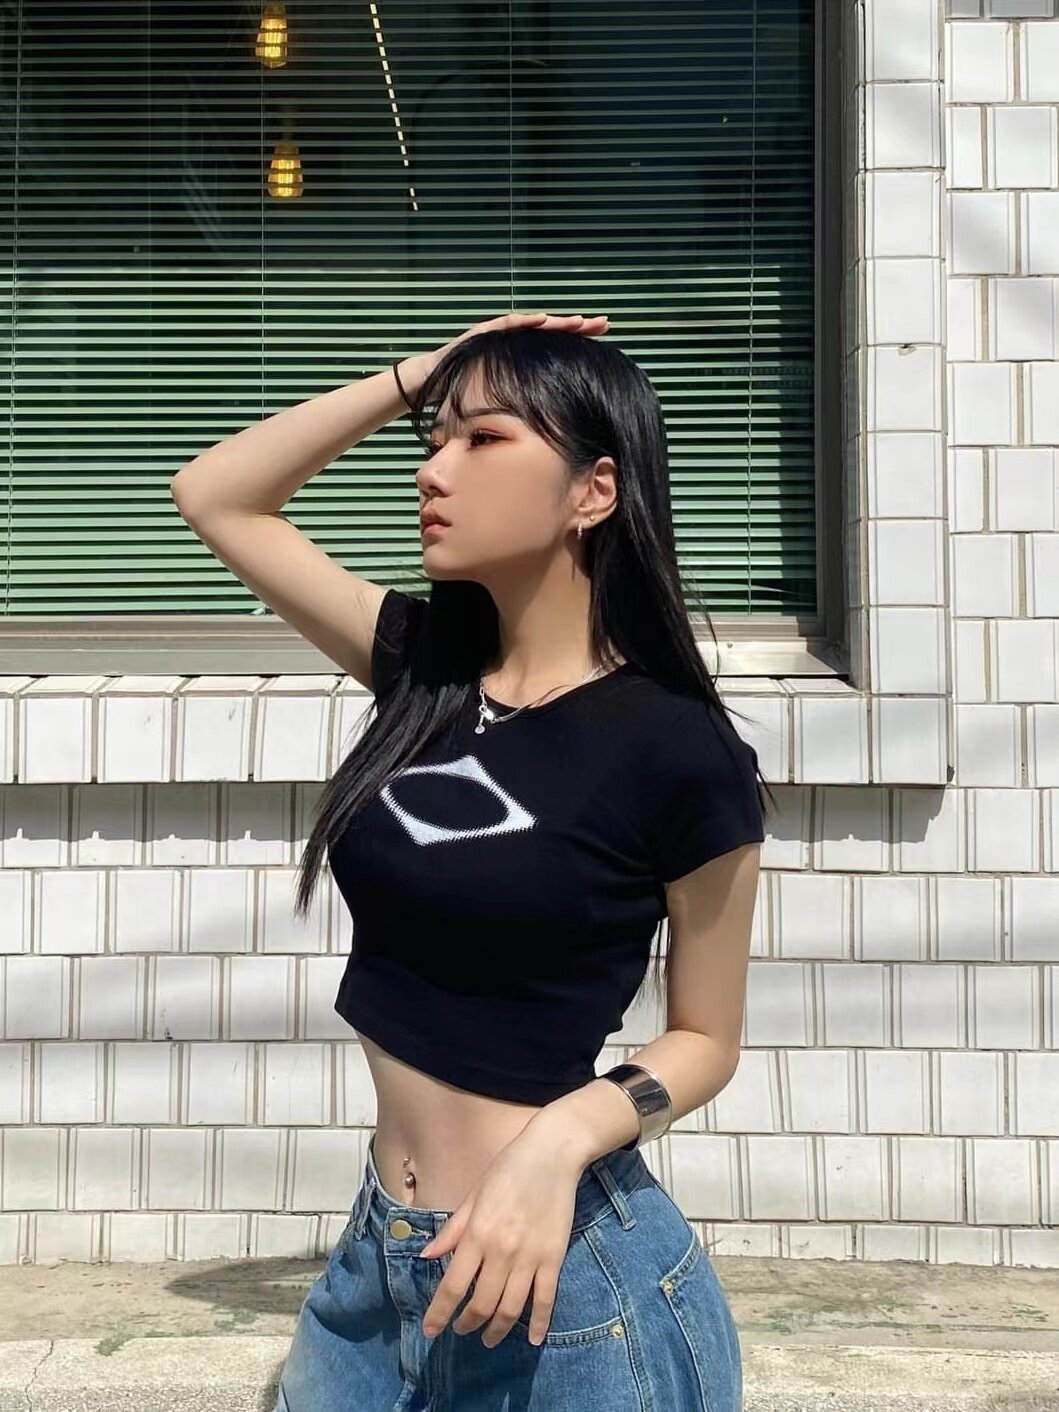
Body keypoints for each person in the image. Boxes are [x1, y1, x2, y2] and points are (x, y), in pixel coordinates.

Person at [171, 311, 772, 1411]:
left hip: (566, 1278)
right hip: (377, 1266)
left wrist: (560, 1140)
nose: (434, 469)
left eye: (484, 438)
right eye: (433, 438)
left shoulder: (680, 749)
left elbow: (706, 1038)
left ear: (594, 491)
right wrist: (422, 371)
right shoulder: (425, 670)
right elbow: (216, 495)